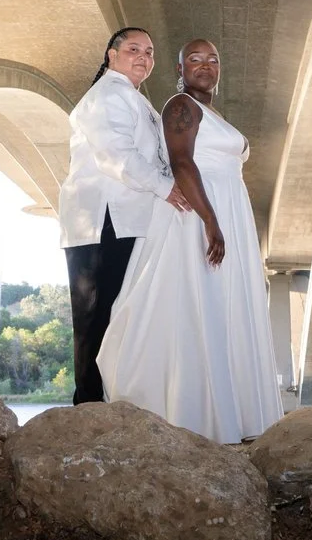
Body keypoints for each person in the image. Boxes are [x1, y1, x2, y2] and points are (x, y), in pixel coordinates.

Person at [96, 39, 286, 444]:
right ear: (180, 70)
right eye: (195, 59)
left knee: (225, 306)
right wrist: (210, 220)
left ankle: (233, 414)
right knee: (200, 305)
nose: (205, 65)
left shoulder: (211, 112)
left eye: (212, 59)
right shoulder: (181, 106)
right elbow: (182, 162)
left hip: (226, 208)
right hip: (198, 213)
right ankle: (194, 415)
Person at [57, 27, 189, 404]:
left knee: (120, 316)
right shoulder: (107, 95)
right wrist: (168, 189)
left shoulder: (134, 99)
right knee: (96, 318)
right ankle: (88, 406)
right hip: (103, 220)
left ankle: (112, 400)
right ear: (111, 55)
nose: (143, 57)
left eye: (149, 52)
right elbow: (116, 155)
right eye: (134, 49)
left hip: (127, 220)